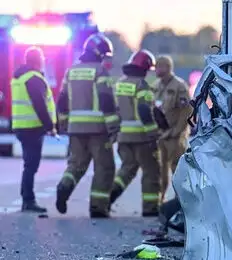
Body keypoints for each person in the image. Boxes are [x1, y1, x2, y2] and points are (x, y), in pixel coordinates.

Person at [55, 33, 119, 218]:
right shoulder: (100, 72)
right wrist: (113, 127)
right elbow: (106, 101)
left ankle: (64, 186)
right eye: (104, 54)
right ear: (99, 52)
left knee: (76, 165)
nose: (105, 58)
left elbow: (62, 100)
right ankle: (98, 207)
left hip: (75, 129)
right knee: (104, 167)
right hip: (98, 130)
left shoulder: (71, 71)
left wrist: (64, 122)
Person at [109, 50, 168, 217]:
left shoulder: (120, 84)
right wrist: (152, 132)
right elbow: (143, 108)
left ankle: (108, 197)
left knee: (127, 170)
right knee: (151, 171)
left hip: (124, 136)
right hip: (141, 137)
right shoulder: (141, 85)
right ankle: (150, 208)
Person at [10, 46, 56, 213]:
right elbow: (40, 104)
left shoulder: (19, 77)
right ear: (39, 61)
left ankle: (27, 199)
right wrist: (50, 126)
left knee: (28, 164)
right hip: (32, 128)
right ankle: (28, 200)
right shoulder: (34, 78)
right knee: (31, 165)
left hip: (21, 126)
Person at [152, 55, 193, 202]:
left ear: (167, 68)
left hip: (175, 136)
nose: (156, 69)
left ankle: (181, 201)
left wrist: (178, 131)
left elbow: (186, 110)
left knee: (177, 169)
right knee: (159, 169)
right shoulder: (156, 85)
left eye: (158, 66)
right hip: (160, 135)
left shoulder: (179, 86)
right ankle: (159, 199)